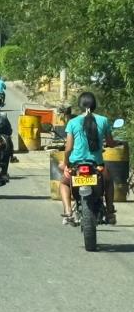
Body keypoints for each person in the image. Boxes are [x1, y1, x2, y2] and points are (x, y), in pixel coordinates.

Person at [60, 92, 119, 226]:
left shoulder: (72, 122)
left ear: (80, 105)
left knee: (64, 183)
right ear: (94, 105)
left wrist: (66, 164)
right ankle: (110, 212)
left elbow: (68, 148)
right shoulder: (103, 120)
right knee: (108, 181)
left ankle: (68, 212)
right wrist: (116, 143)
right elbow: (110, 143)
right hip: (96, 165)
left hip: (76, 165)